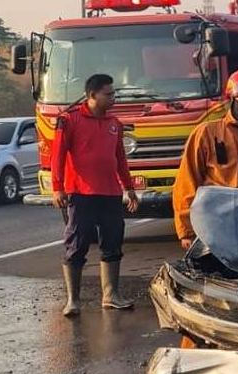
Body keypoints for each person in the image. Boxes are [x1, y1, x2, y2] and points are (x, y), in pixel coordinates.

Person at [51, 73, 139, 317]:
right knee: (76, 244)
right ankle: (73, 300)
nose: (113, 98)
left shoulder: (114, 123)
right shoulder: (69, 120)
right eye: (108, 94)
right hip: (81, 194)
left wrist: (129, 188)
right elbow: (57, 156)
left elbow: (120, 158)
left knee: (113, 242)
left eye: (113, 93)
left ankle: (111, 296)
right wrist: (57, 187)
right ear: (92, 96)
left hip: (110, 193)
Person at [172, 68, 238, 249]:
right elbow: (186, 183)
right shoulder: (207, 133)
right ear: (232, 100)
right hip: (214, 224)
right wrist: (186, 230)